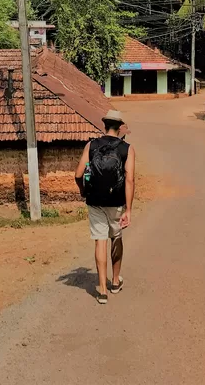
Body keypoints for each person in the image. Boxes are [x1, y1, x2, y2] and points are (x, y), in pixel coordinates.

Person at [75, 109, 135, 305]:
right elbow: (130, 180)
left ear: (104, 125)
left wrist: (83, 191)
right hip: (116, 201)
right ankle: (115, 281)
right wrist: (128, 209)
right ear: (120, 127)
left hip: (95, 201)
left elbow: (78, 174)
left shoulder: (91, 145)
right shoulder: (127, 149)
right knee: (116, 237)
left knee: (100, 241)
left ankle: (102, 290)